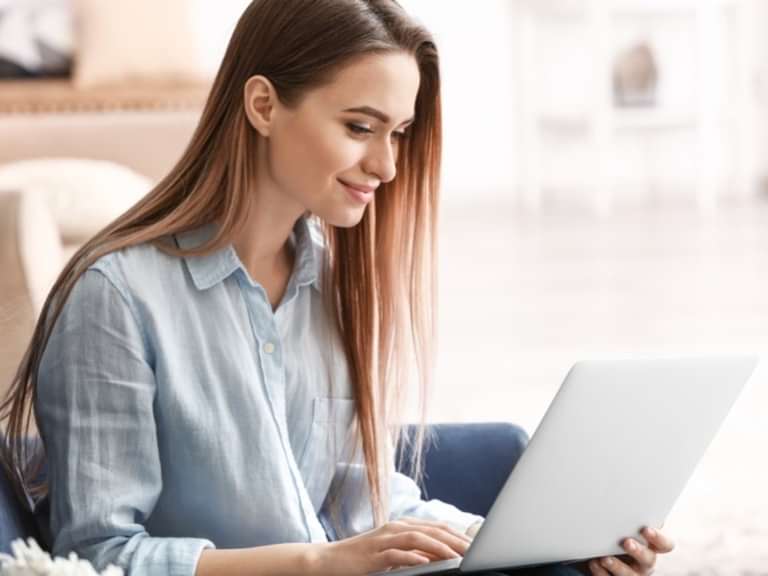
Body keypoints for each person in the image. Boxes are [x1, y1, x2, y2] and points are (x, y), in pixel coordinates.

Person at [0, 1, 675, 575]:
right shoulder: (115, 297)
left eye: (399, 134)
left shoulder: (327, 277)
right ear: (263, 104)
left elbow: (365, 501)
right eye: (359, 127)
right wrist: (317, 562)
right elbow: (102, 555)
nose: (385, 164)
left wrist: (535, 546)